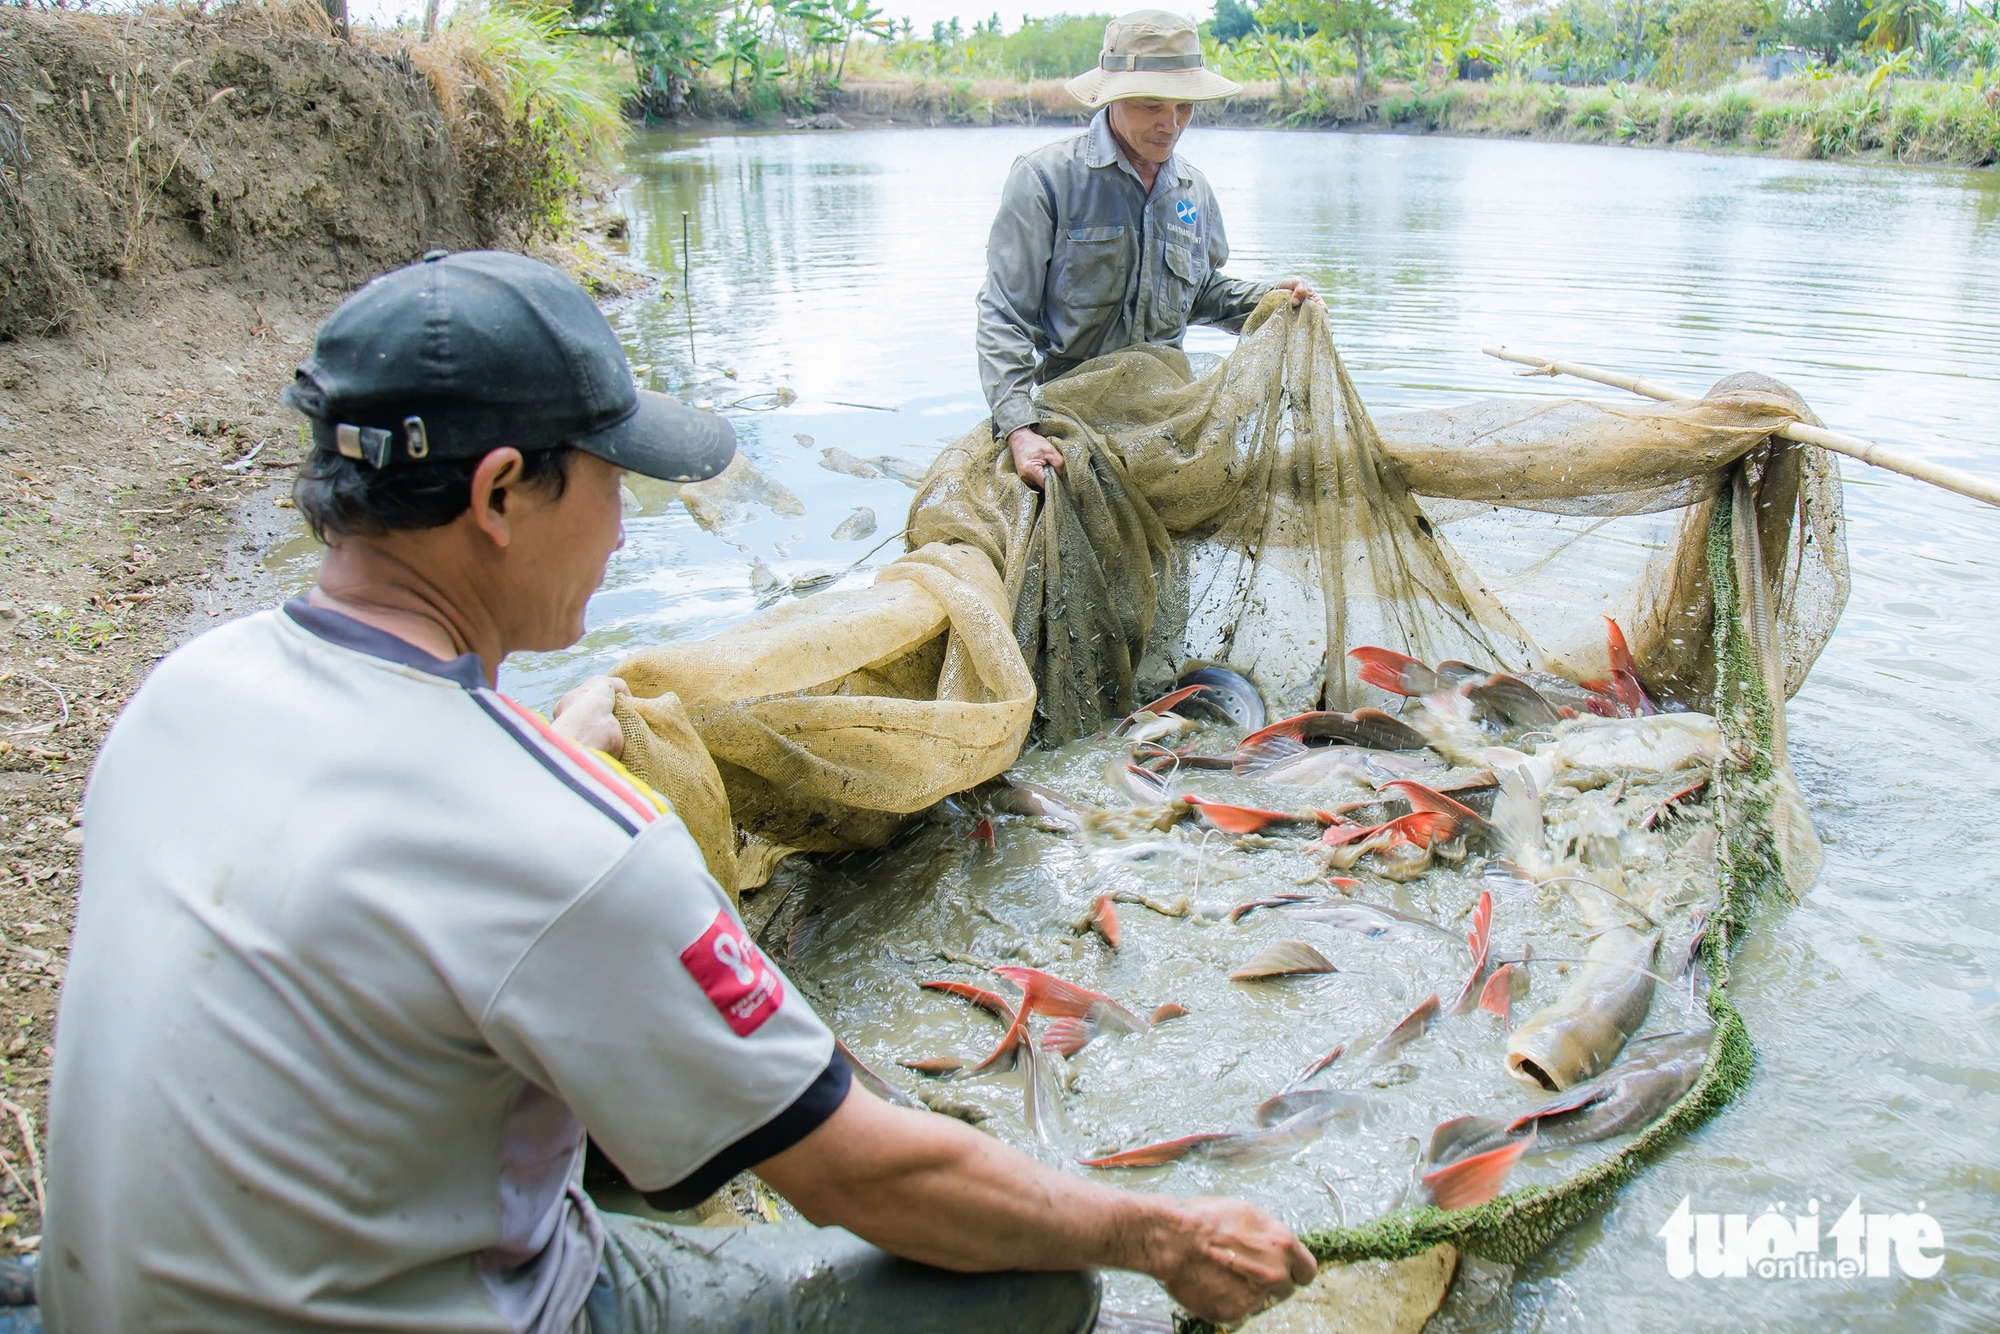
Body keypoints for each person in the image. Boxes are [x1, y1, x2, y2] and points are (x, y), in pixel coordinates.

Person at [40, 251, 1317, 1333]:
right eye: (612, 476)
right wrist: (1158, 1231)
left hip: (127, 1298)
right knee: (1035, 1281)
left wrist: (549, 753)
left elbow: (405, 839)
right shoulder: (568, 840)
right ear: (499, 494)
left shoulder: (182, 694)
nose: (623, 521)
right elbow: (861, 1175)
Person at [977, 9, 1321, 487]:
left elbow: (1199, 294)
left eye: (1184, 107)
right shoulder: (1045, 179)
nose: (1171, 124)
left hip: (1168, 426)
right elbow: (1004, 314)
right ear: (1112, 98)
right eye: (1151, 105)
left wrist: (1271, 300)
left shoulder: (1193, 191)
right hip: (1069, 427)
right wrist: (1019, 429)